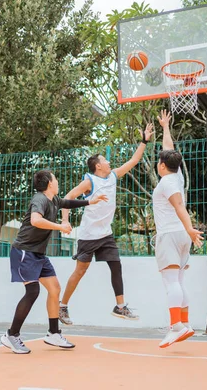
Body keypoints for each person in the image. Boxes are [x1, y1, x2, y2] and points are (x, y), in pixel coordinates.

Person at [1, 169, 108, 354]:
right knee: (32, 291)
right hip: (24, 252)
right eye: (56, 179)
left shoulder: (54, 200)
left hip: (38, 254)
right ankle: (12, 334)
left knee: (55, 289)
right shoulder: (39, 199)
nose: (57, 181)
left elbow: (68, 202)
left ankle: (53, 333)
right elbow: (35, 220)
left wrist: (91, 201)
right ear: (50, 183)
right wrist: (60, 226)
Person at [58, 123, 153, 325]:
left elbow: (134, 160)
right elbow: (67, 197)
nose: (108, 161)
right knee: (80, 271)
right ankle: (63, 306)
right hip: (89, 235)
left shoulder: (113, 176)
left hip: (105, 234)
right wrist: (65, 220)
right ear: (97, 165)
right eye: (104, 160)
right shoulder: (90, 181)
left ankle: (120, 307)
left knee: (116, 265)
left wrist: (144, 140)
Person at [153, 109, 204, 348]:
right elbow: (170, 150)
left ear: (162, 166)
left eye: (159, 161)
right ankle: (184, 323)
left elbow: (179, 206)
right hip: (181, 235)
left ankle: (176, 327)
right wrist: (165, 127)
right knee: (179, 280)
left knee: (170, 282)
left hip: (171, 235)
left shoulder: (166, 183)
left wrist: (191, 228)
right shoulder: (178, 175)